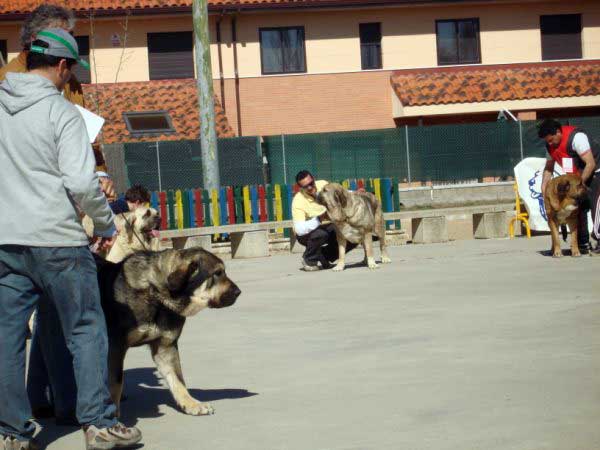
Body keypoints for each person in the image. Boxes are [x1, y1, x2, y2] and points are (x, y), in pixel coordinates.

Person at [0, 29, 141, 449]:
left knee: (7, 336)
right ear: (62, 66)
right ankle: (98, 423)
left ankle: (11, 432)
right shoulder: (62, 114)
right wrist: (104, 224)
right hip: (58, 240)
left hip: (7, 241)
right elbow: (82, 183)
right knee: (85, 329)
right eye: (71, 69)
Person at [0, 4, 114, 194]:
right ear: (35, 40)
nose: (68, 43)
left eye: (71, 36)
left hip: (72, 197)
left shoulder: (71, 81)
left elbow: (86, 135)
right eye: (62, 36)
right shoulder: (6, 82)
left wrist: (100, 174)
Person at [538, 119, 600, 255]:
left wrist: (578, 185)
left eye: (550, 140)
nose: (549, 143)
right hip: (577, 177)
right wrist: (544, 186)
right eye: (547, 141)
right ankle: (583, 243)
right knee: (578, 209)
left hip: (596, 170)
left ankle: (599, 240)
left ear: (558, 132)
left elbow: (590, 163)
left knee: (597, 207)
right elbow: (549, 168)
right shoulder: (549, 145)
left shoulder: (577, 138)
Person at [292, 170, 356, 271]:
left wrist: (355, 194)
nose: (309, 187)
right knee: (320, 234)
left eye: (311, 183)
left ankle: (323, 257)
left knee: (352, 235)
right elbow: (299, 229)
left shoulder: (323, 184)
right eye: (305, 186)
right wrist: (319, 218)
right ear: (300, 187)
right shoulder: (298, 200)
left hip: (330, 225)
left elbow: (341, 193)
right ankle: (309, 259)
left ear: (313, 179)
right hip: (308, 234)